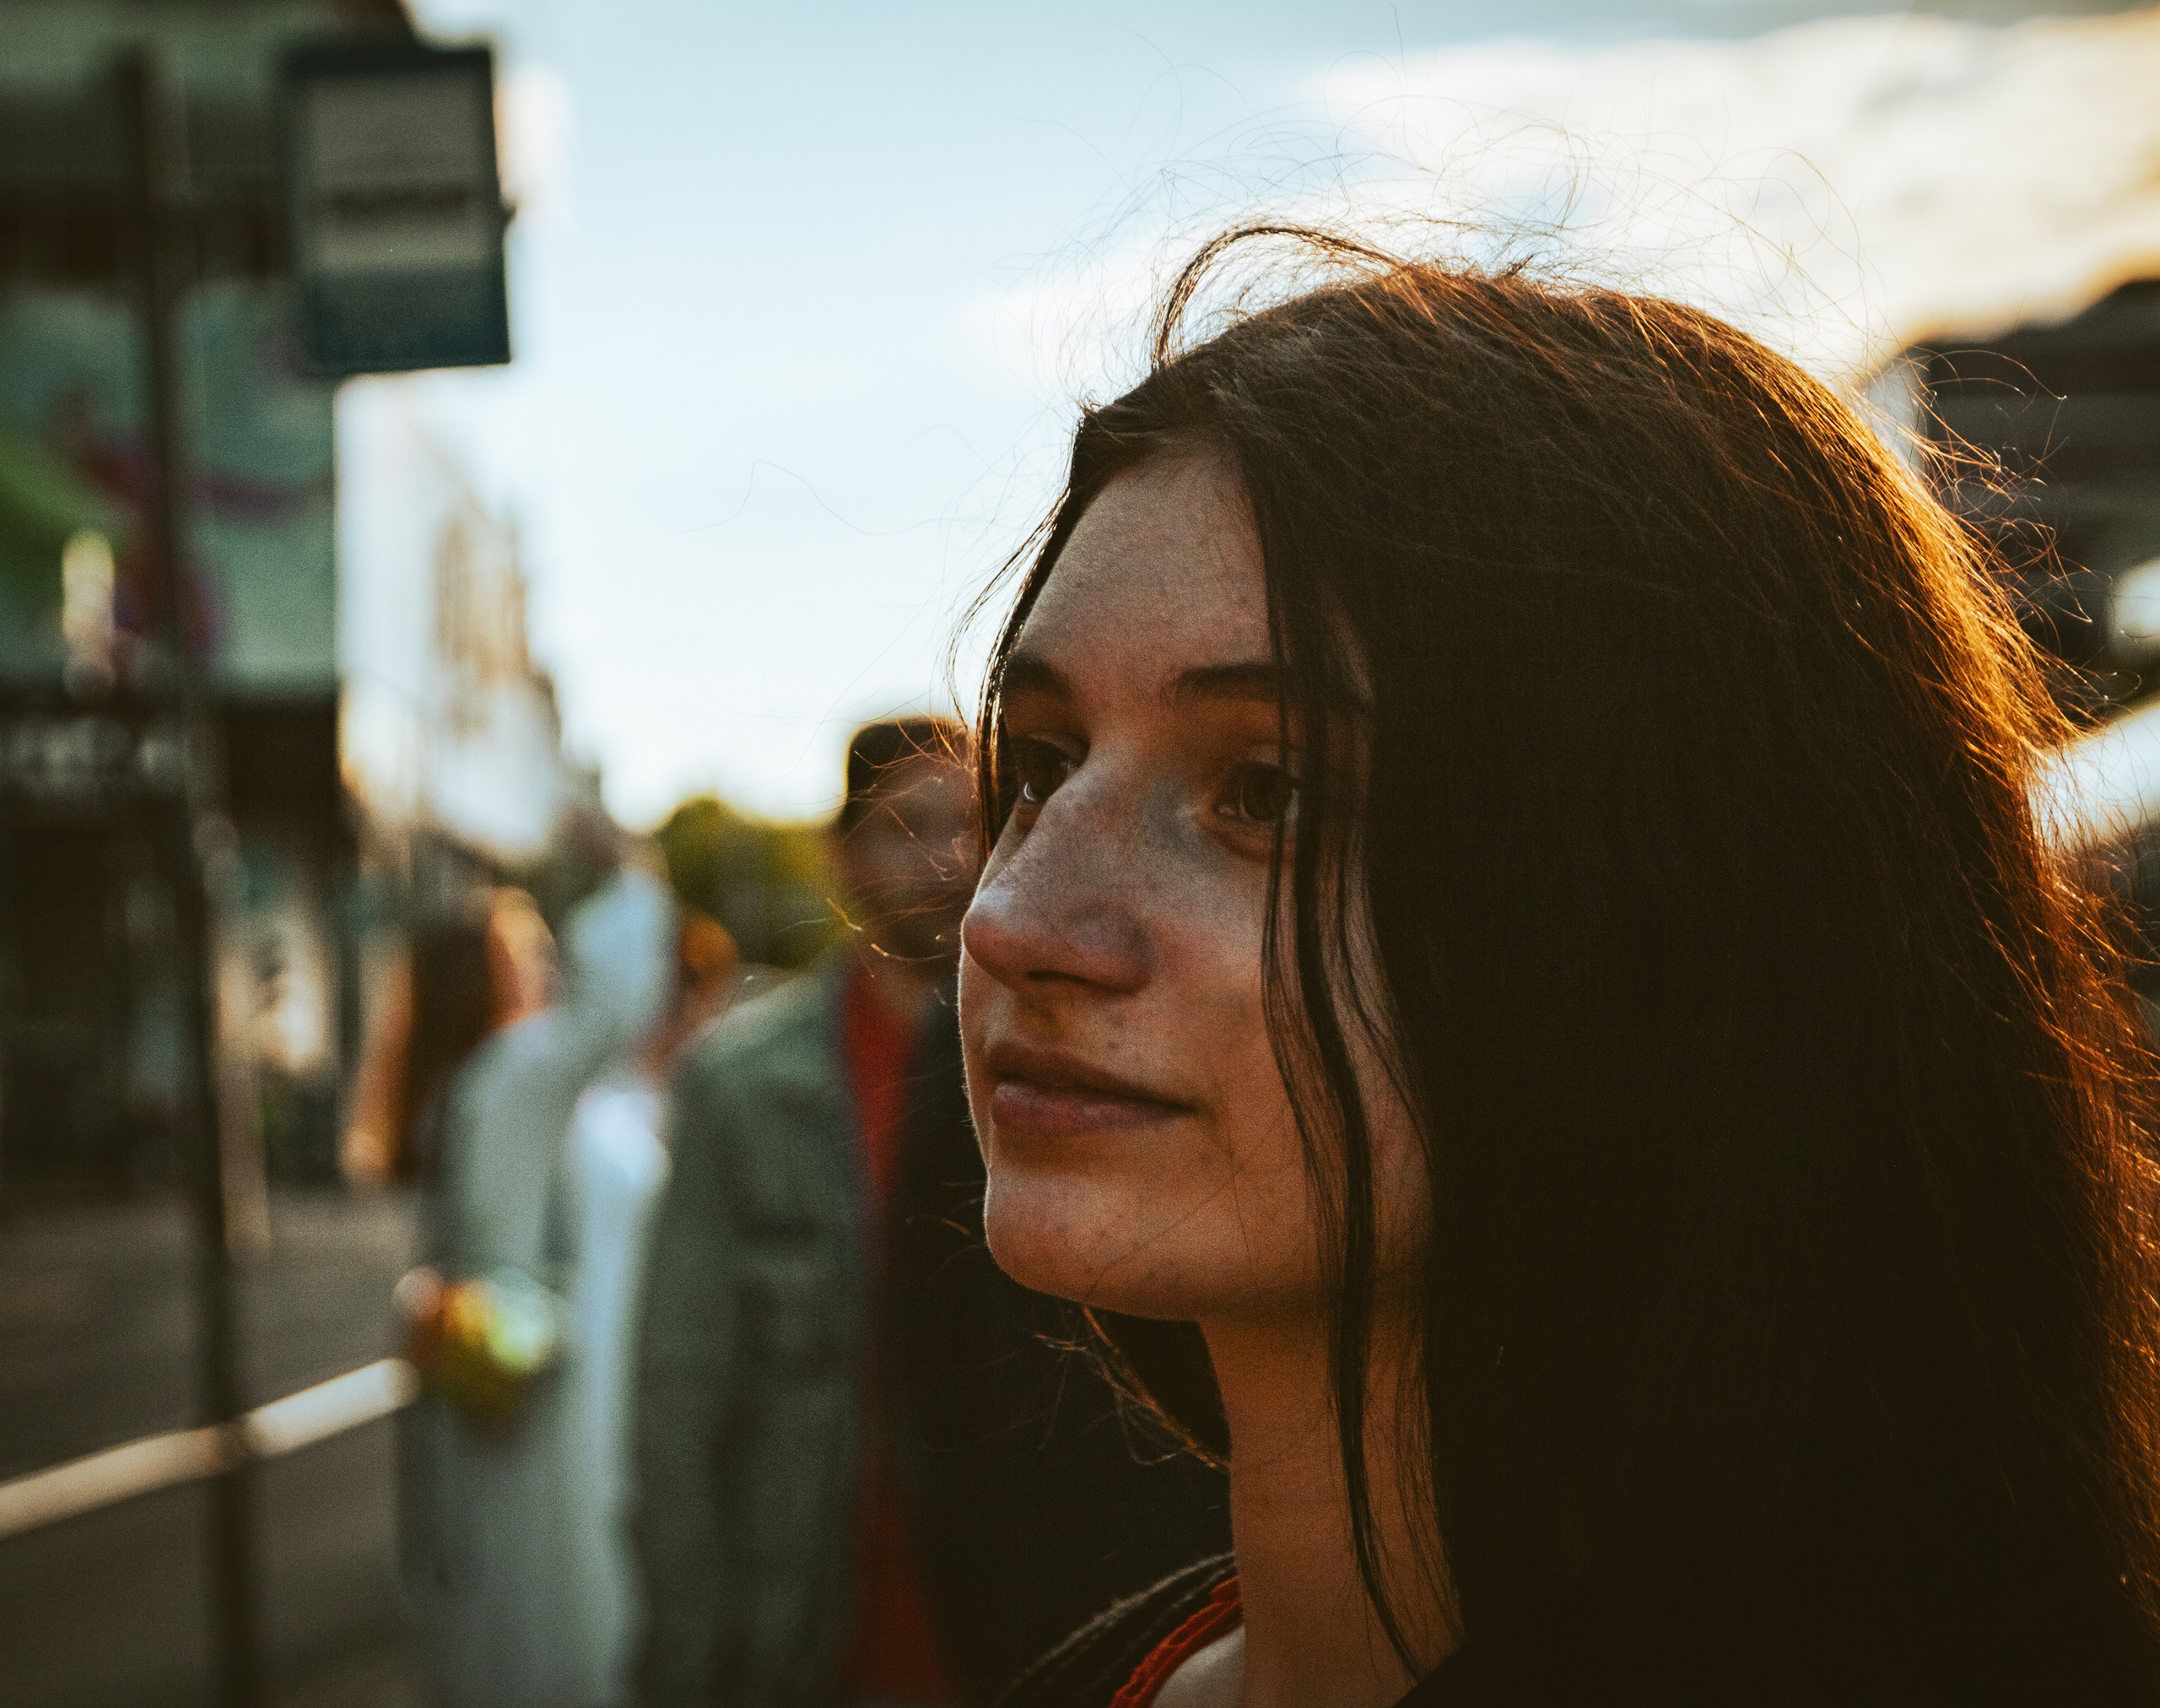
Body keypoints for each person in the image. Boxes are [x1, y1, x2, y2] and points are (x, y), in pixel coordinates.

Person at [960, 227, 2160, 1707]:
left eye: (1267, 792)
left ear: (1675, 911)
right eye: (1046, 759)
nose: (1016, 916)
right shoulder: (1107, 1671)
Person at [634, 719, 1229, 1708]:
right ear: (842, 853)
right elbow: (679, 1394)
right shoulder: (741, 1090)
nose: (948, 858)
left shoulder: (1075, 1063)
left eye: (972, 822)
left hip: (1031, 1624)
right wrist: (688, 1660)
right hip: (813, 1634)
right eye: (906, 826)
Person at [403, 851, 678, 1708]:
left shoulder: (494, 1088)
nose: (554, 966)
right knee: (563, 1621)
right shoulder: (516, 1075)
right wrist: (629, 867)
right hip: (558, 1403)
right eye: (532, 953)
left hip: (524, 1394)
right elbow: (620, 998)